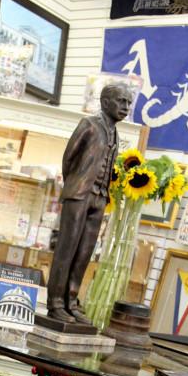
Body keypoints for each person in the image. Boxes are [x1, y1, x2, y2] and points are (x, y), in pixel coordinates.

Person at [46, 83, 133, 324]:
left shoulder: (115, 133)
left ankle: (71, 301)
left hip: (100, 197)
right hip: (80, 194)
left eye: (128, 102)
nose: (126, 107)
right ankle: (55, 303)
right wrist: (76, 185)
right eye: (121, 101)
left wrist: (100, 191)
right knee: (67, 249)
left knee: (84, 252)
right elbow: (69, 158)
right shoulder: (89, 125)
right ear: (105, 102)